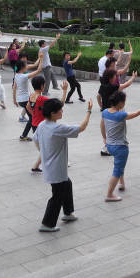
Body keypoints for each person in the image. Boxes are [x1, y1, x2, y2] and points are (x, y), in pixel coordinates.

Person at [34, 98, 93, 232]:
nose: (62, 111)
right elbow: (81, 127)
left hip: (51, 167)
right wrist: (89, 111)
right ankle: (47, 224)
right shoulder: (58, 128)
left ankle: (68, 213)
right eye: (60, 109)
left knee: (67, 184)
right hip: (57, 169)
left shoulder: (42, 125)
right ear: (53, 113)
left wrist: (43, 152)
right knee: (57, 196)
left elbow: (35, 139)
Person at [101, 91, 140, 201]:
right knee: (117, 169)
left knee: (118, 164)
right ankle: (109, 195)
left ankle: (121, 183)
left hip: (110, 145)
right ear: (120, 102)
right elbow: (136, 113)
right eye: (124, 101)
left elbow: (101, 126)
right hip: (120, 147)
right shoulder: (120, 115)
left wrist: (104, 138)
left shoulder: (105, 112)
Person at [27, 77, 68, 172]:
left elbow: (28, 106)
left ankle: (35, 166)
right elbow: (59, 105)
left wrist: (34, 115)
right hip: (43, 125)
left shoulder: (31, 96)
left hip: (35, 124)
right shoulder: (42, 99)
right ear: (42, 86)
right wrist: (65, 91)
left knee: (43, 148)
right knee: (46, 148)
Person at [13, 54, 44, 141]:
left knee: (32, 117)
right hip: (26, 99)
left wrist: (14, 100)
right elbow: (39, 70)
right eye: (26, 66)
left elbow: (14, 88)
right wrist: (41, 59)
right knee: (33, 117)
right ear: (22, 68)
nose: (27, 67)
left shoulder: (17, 76)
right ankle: (34, 135)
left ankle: (25, 135)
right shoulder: (24, 76)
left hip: (21, 100)